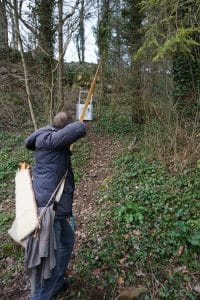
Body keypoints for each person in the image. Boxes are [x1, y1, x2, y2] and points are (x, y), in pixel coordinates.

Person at [25, 111, 86, 300]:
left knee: (66, 242)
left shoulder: (49, 137)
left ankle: (57, 284)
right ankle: (41, 296)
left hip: (55, 208)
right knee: (49, 259)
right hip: (50, 208)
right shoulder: (49, 140)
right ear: (62, 129)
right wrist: (82, 124)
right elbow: (75, 131)